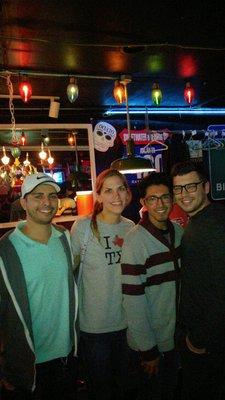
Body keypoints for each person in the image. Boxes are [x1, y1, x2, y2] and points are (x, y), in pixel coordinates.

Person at [0, 172, 78, 400]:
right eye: (37, 196)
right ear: (23, 202)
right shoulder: (5, 250)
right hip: (27, 364)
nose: (47, 202)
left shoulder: (64, 237)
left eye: (52, 196)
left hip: (67, 355)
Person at [70, 168, 134, 400]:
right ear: (98, 195)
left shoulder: (131, 227)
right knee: (100, 390)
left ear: (127, 193)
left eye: (120, 189)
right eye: (108, 190)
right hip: (94, 328)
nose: (116, 196)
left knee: (124, 387)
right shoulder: (83, 227)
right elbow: (68, 269)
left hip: (127, 324)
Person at [121, 172, 183, 400]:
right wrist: (148, 351)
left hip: (174, 339)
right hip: (150, 345)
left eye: (165, 197)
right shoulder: (135, 241)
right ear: (144, 203)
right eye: (153, 199)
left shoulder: (178, 233)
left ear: (173, 199)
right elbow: (133, 301)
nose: (160, 204)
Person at [171, 161, 225, 400]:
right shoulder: (200, 221)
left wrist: (200, 337)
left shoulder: (214, 227)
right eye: (178, 189)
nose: (184, 194)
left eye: (191, 187)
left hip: (209, 342)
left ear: (206, 187)